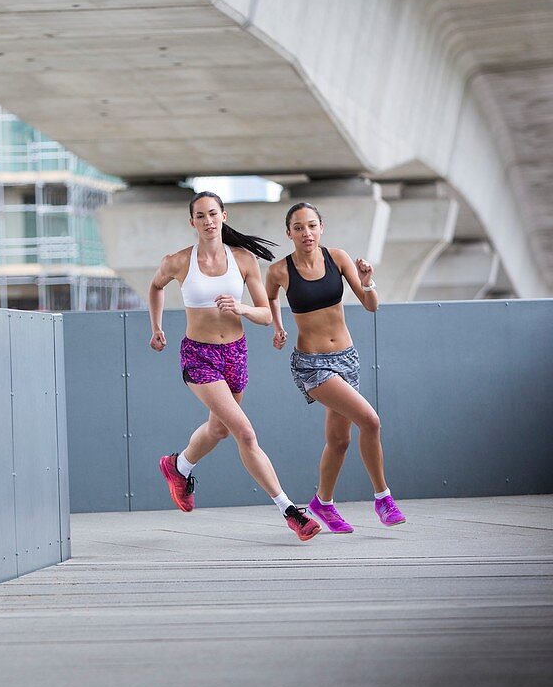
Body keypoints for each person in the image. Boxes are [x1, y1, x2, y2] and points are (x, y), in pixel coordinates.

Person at [150, 191, 321, 541]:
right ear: (192, 222)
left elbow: (264, 313)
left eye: (213, 214)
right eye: (201, 216)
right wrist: (156, 328)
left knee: (220, 430)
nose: (208, 221)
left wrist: (241, 309)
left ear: (224, 216)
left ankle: (178, 466)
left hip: (236, 354)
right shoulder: (179, 261)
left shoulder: (243, 260)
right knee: (245, 432)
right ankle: (291, 511)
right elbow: (155, 287)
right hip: (199, 356)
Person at [264, 201, 406, 532]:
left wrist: (368, 280)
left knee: (339, 440)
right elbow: (270, 296)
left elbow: (371, 305)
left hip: (347, 358)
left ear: (321, 227)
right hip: (312, 364)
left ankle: (322, 503)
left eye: (311, 225)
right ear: (289, 233)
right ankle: (383, 497)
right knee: (370, 420)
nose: (306, 232)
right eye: (298, 227)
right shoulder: (279, 271)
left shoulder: (338, 258)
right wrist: (277, 325)